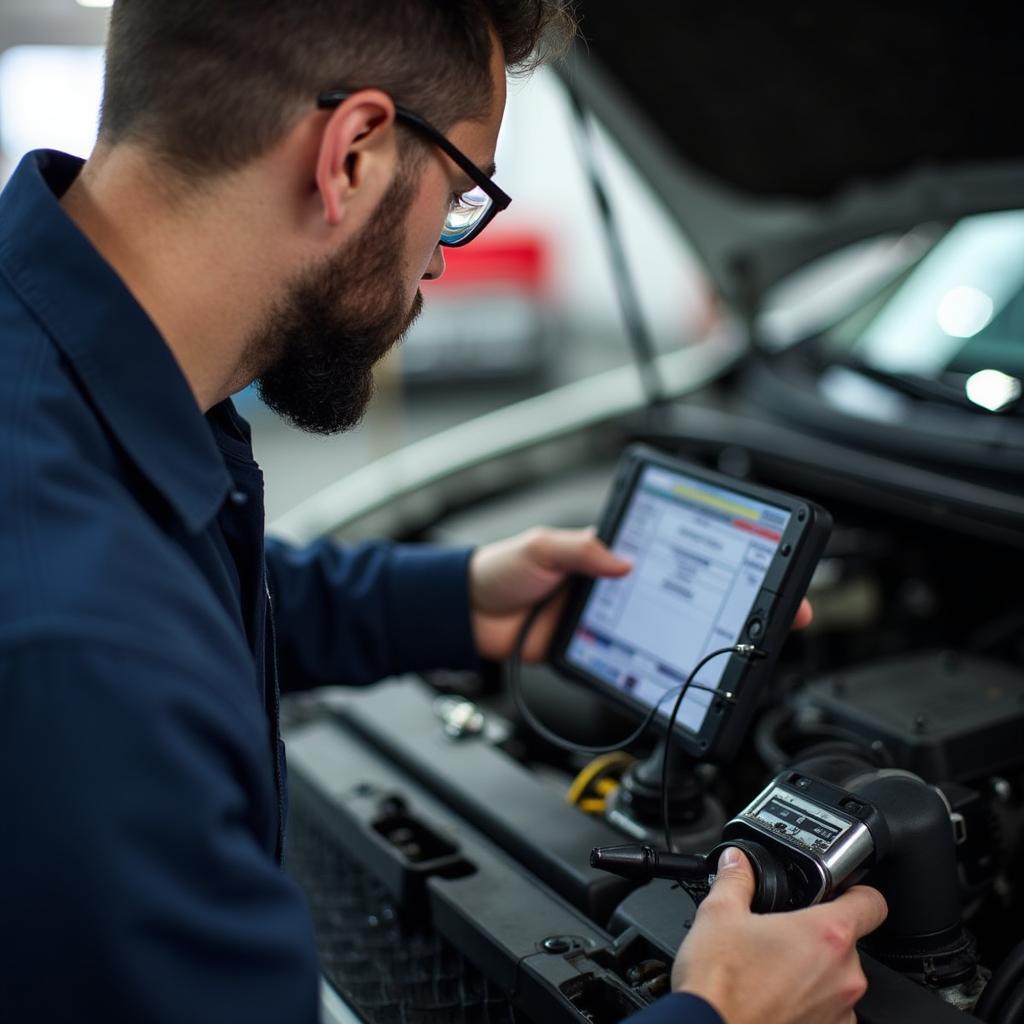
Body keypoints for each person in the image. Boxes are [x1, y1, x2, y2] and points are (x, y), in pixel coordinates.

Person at [0, 1, 885, 1021]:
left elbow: (179, 573)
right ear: (353, 153)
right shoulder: (80, 655)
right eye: (462, 197)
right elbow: (121, 632)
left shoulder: (68, 388)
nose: (438, 257)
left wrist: (458, 599)